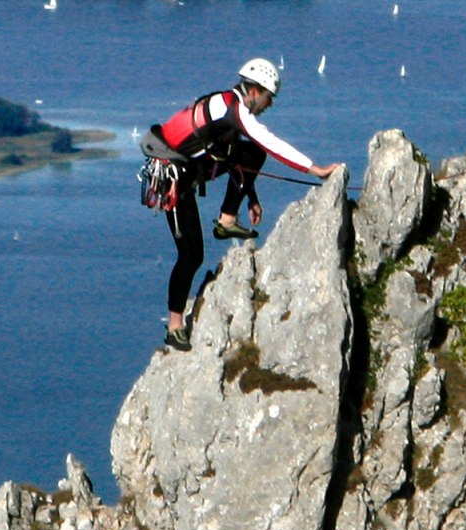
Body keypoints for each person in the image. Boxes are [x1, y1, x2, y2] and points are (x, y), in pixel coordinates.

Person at [139, 58, 341, 352]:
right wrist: (316, 169)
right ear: (256, 91)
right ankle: (174, 326)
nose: (269, 105)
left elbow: (233, 154)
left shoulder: (225, 104)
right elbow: (272, 143)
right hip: (173, 180)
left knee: (252, 154)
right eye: (269, 98)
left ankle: (227, 220)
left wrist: (251, 196)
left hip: (188, 168)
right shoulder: (236, 112)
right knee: (191, 255)